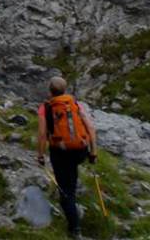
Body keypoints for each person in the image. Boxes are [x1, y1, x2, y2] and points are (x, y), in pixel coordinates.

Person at [36, 75, 98, 236]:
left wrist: (40, 155)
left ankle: (75, 229)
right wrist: (93, 152)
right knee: (71, 175)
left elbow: (42, 134)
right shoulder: (74, 104)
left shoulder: (46, 107)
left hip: (60, 152)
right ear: (65, 89)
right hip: (80, 151)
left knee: (66, 191)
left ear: (50, 90)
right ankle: (73, 197)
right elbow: (90, 128)